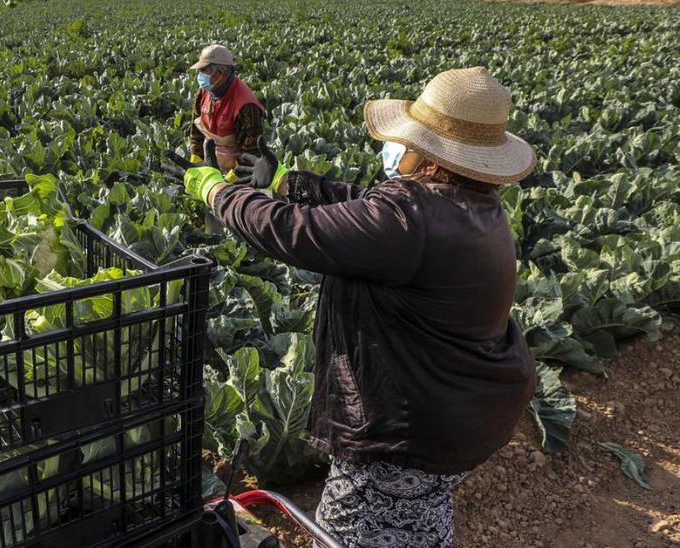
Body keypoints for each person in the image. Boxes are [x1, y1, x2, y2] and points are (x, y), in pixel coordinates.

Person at [161, 67, 538, 548]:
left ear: (427, 152)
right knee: (417, 526)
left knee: (354, 533)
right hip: (451, 418)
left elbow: (290, 231)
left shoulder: (410, 218)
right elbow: (361, 205)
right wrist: (282, 180)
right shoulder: (472, 209)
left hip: (405, 431)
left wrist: (216, 191)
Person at [187, 43, 266, 173]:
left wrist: (231, 180)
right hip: (210, 163)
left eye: (203, 70)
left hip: (237, 171)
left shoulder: (246, 105)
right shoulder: (204, 92)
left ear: (220, 73)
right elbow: (196, 128)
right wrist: (196, 159)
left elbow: (251, 153)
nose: (200, 76)